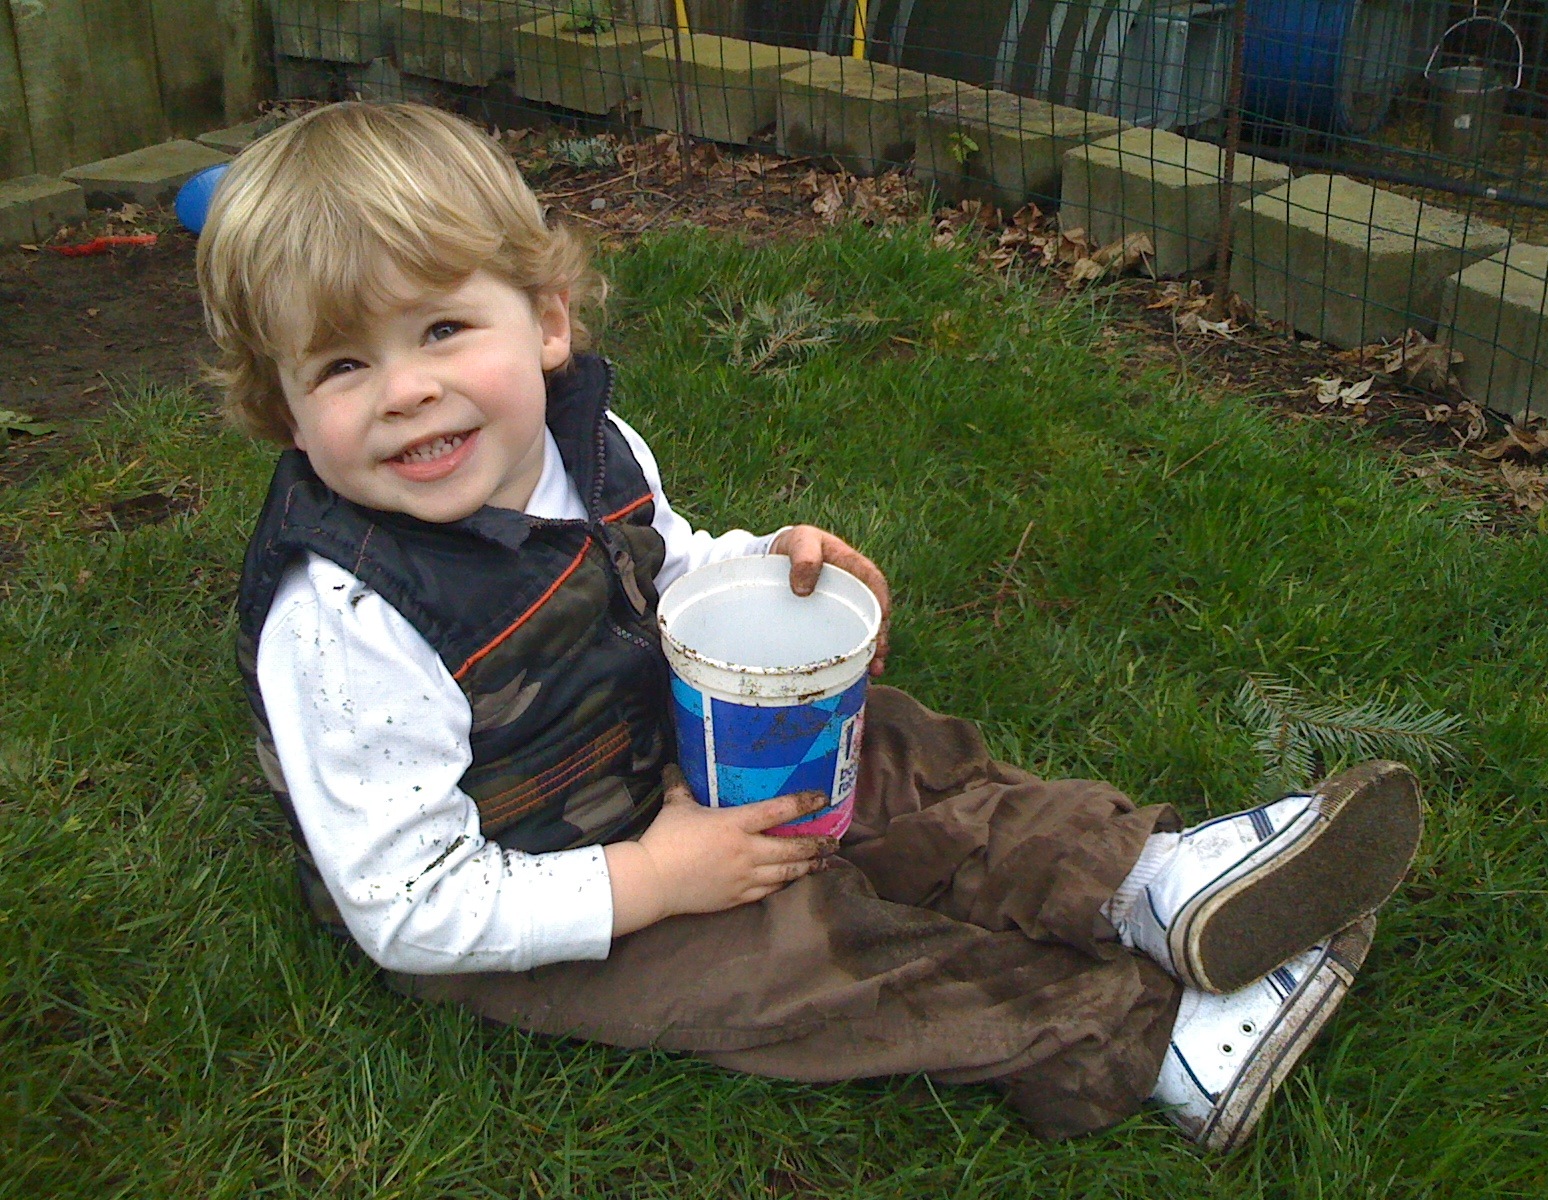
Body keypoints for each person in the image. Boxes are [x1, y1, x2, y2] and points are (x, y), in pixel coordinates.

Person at [197, 101, 1423, 1150]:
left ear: (547, 322)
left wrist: (763, 570)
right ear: (285, 412)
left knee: (890, 744)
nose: (406, 389)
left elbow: (664, 559)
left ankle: (1146, 884)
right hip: (537, 890)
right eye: (342, 366)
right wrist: (652, 881)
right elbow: (410, 904)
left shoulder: (586, 443)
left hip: (666, 750)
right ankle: (1150, 1041)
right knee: (801, 958)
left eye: (441, 330)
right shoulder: (347, 620)